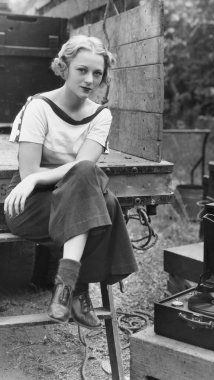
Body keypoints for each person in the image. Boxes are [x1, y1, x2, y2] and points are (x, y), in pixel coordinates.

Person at [4, 35, 138, 329]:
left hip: (73, 194)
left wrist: (41, 173)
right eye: (81, 70)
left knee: (87, 175)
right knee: (107, 204)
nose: (89, 79)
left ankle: (64, 287)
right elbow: (28, 175)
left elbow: (83, 167)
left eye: (97, 73)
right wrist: (35, 178)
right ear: (64, 67)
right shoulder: (38, 106)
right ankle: (77, 289)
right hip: (32, 203)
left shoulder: (101, 116)